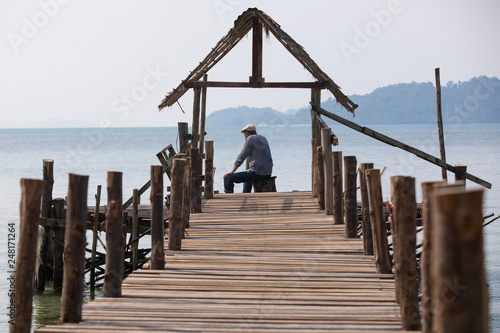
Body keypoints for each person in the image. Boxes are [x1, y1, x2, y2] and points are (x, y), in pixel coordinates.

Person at [223, 124, 273, 193]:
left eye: (244, 134)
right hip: (268, 173)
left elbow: (241, 157)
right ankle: (246, 195)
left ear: (246, 133)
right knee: (248, 177)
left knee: (228, 178)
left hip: (257, 173)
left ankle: (229, 199)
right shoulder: (263, 138)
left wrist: (232, 171)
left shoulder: (250, 138)